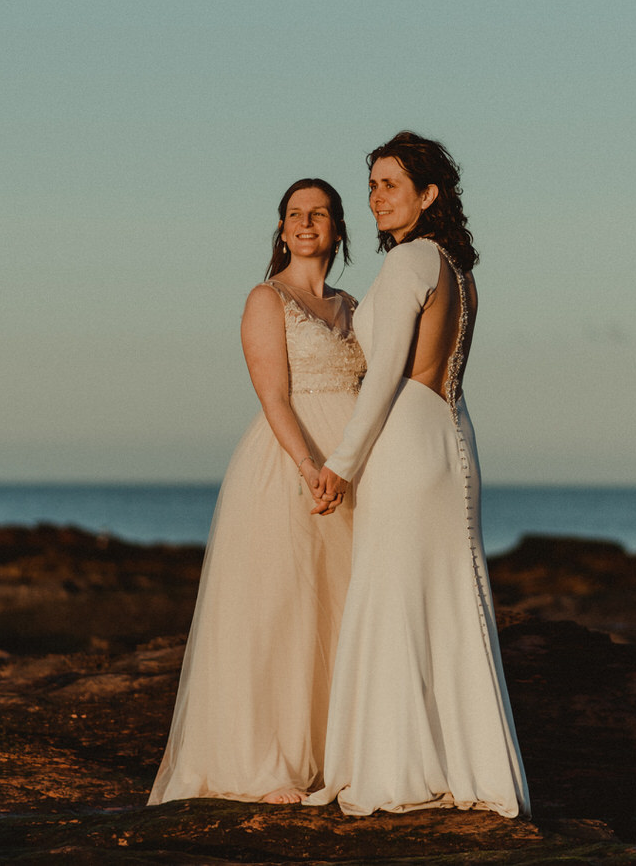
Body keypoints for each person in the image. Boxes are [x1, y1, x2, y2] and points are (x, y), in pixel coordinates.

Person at [305, 133, 531, 818]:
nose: (376, 198)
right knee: (452, 602)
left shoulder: (409, 261)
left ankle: (394, 772)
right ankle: (470, 767)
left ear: (428, 195)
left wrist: (340, 465)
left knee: (394, 597)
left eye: (390, 185)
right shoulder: (458, 271)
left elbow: (385, 378)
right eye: (371, 185)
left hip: (405, 439)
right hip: (451, 434)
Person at [148, 179, 366, 806]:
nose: (305, 224)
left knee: (338, 609)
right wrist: (309, 467)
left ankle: (334, 754)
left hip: (349, 470)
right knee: (281, 610)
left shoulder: (355, 306)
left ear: (338, 229)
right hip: (289, 465)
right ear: (281, 229)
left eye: (318, 214)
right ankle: (267, 763)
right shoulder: (266, 299)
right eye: (295, 215)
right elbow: (272, 395)